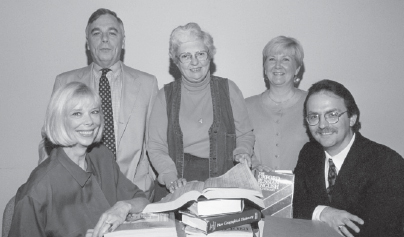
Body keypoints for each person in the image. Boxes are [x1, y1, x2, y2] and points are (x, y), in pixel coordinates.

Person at [6, 82, 149, 237]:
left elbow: (142, 200)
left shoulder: (101, 157)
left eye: (94, 112)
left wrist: (123, 206)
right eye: (77, 114)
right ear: (60, 120)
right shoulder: (41, 186)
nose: (89, 121)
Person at [38, 8, 158, 200]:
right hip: (78, 195)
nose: (104, 39)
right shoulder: (65, 82)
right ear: (87, 43)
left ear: (123, 41)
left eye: (112, 33)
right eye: (96, 33)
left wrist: (147, 185)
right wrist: (47, 188)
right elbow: (50, 139)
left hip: (134, 194)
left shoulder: (148, 84)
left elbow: (154, 143)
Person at [293, 79, 404, 237]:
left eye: (332, 115)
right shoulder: (309, 153)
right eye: (314, 116)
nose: (322, 125)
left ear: (352, 118)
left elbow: (369, 233)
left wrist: (313, 214)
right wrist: (323, 213)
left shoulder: (388, 163)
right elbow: (294, 204)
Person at [148, 22, 254, 199]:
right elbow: (156, 146)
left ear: (209, 56)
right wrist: (170, 177)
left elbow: (245, 134)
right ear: (176, 61)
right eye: (186, 56)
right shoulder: (164, 97)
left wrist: (242, 152)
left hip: (223, 183)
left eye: (200, 54)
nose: (195, 62)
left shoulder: (230, 89)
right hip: (178, 184)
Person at [246, 36, 308, 172]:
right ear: (265, 68)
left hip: (304, 190)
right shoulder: (246, 107)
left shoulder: (312, 104)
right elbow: (239, 148)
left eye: (286, 59)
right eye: (272, 59)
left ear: (297, 68)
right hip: (257, 189)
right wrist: (255, 167)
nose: (278, 65)